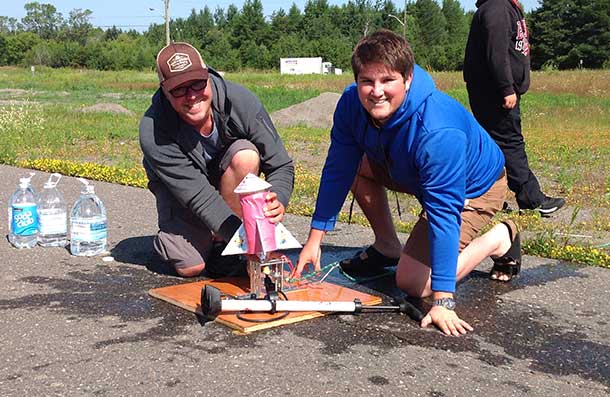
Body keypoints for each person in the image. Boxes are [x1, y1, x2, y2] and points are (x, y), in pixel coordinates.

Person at [293, 29, 521, 336]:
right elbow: (338, 167)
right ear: (356, 81)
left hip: (473, 187)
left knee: (413, 283)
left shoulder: (437, 131)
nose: (376, 92)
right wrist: (314, 240)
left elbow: (443, 213)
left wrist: (443, 300)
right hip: (409, 169)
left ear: (408, 78)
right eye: (366, 81)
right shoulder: (350, 104)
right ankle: (388, 246)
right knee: (355, 167)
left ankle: (500, 238)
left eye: (387, 81)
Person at [139, 42, 294, 278]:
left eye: (197, 83)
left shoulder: (241, 101)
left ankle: (222, 244)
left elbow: (281, 164)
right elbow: (199, 197)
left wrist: (279, 199)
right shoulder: (153, 130)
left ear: (209, 77)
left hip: (227, 177)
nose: (192, 95)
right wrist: (248, 243)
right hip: (183, 194)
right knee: (191, 266)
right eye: (179, 89)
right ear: (164, 91)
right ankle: (175, 236)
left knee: (246, 156)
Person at [464, 0, 565, 215]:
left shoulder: (505, 7)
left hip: (496, 91)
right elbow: (496, 53)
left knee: (492, 145)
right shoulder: (497, 9)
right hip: (493, 93)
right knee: (510, 143)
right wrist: (506, 88)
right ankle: (531, 199)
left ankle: (485, 197)